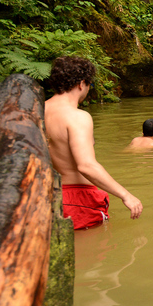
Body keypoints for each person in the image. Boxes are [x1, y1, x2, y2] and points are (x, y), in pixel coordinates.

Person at [44, 55, 143, 230]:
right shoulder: (77, 117)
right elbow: (86, 165)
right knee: (89, 255)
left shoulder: (34, 111)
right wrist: (126, 195)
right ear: (82, 83)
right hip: (77, 200)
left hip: (45, 196)